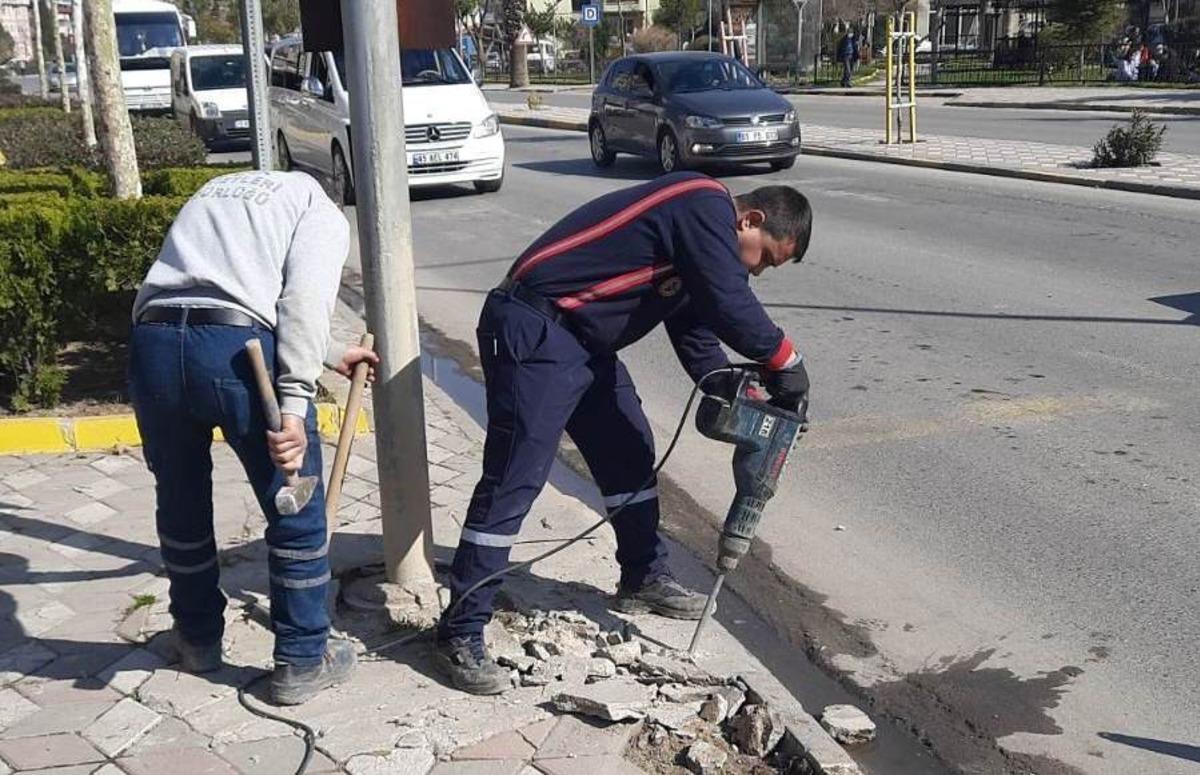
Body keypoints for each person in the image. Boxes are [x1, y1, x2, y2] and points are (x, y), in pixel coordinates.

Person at [437, 172, 813, 695]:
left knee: (630, 452)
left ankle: (643, 576)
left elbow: (700, 338)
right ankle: (461, 628)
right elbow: (730, 305)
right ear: (750, 220)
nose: (758, 270)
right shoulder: (703, 203)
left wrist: (743, 392)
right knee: (514, 480)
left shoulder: (701, 251)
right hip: (534, 327)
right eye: (765, 257)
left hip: (584, 344)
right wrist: (785, 361)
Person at [128, 171, 379, 706]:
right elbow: (301, 303)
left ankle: (196, 640)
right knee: (294, 508)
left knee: (180, 502)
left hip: (153, 342)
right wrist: (294, 406)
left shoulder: (220, 188)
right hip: (238, 355)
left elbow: (212, 288)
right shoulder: (321, 210)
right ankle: (303, 658)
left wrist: (331, 353)